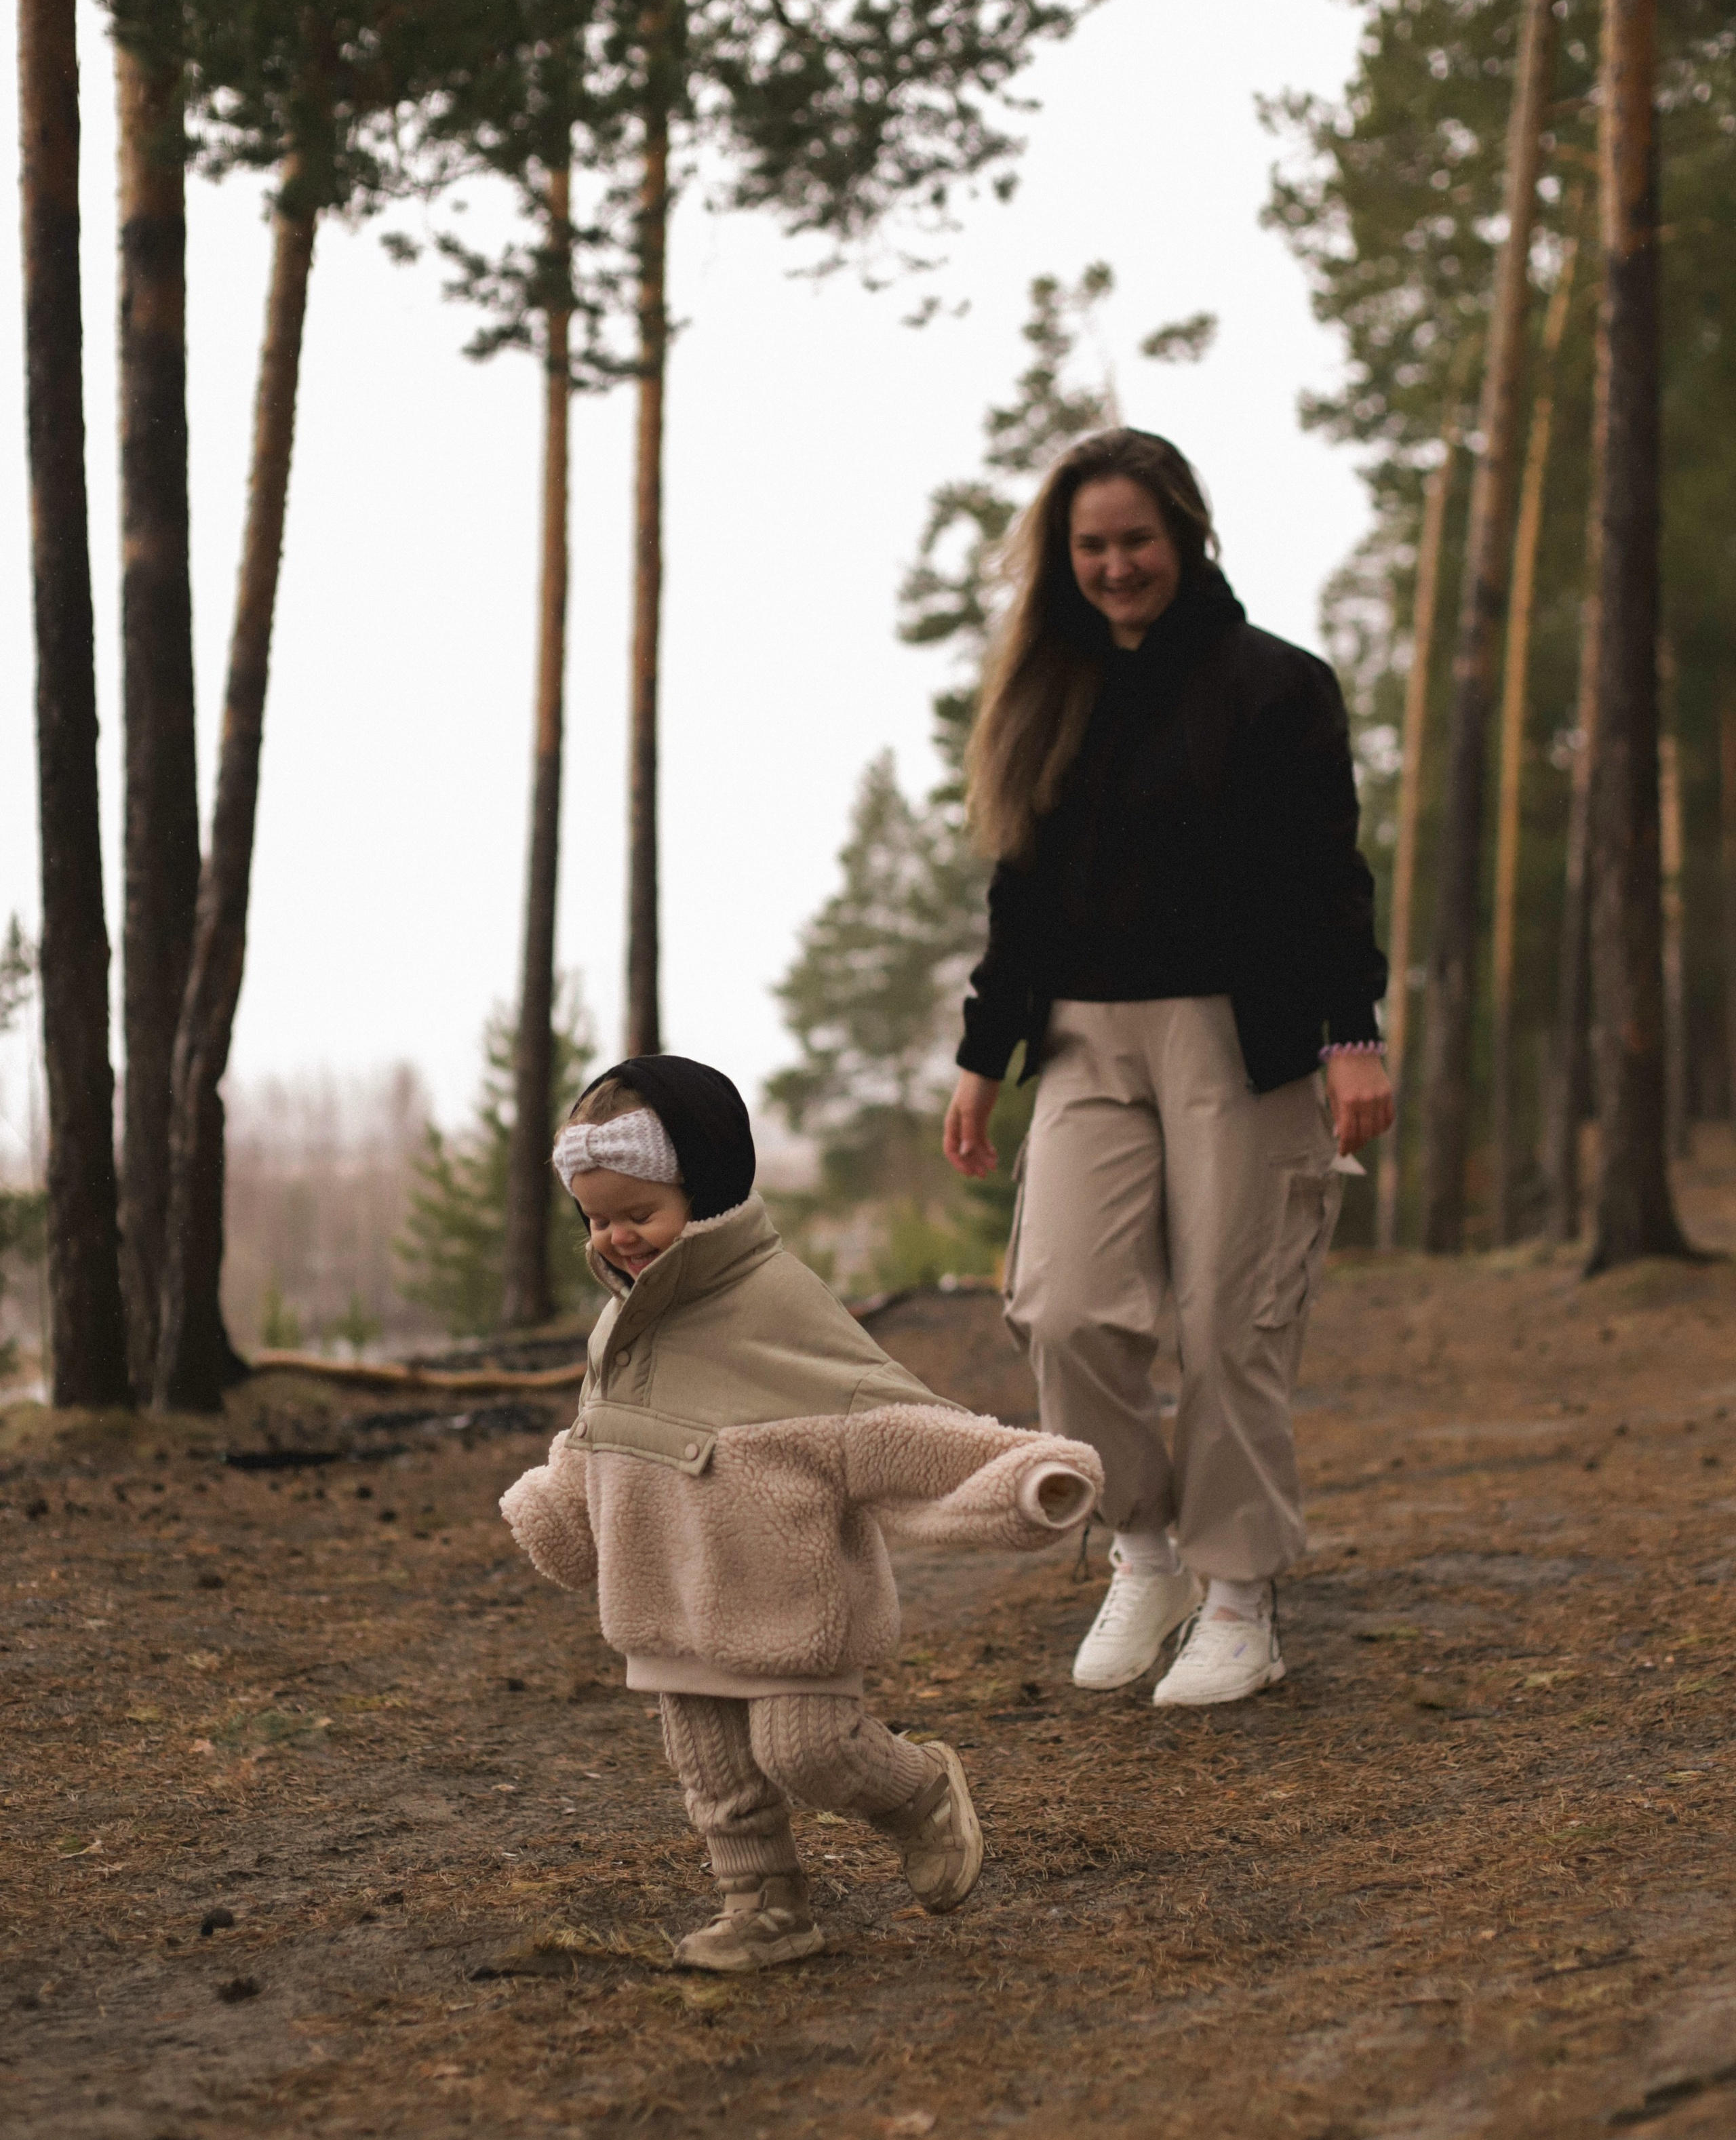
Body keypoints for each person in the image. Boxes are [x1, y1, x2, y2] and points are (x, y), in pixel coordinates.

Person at [943, 429, 1392, 1709]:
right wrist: (984, 1061)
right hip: (1084, 1035)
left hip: (1241, 1039)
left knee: (1227, 1323)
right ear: (1062, 557)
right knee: (1066, 1304)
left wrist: (1350, 1036)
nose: (1115, 565)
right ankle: (1143, 1545)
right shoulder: (1048, 695)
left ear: (1186, 534)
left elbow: (1327, 878)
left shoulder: (1278, 687)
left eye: (1136, 539)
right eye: (1090, 545)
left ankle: (1241, 1598)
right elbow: (1016, 897)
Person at [501, 1054, 1102, 1973]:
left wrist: (1024, 1471)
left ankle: (921, 1792)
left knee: (808, 1748)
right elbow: (600, 1437)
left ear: (704, 1187)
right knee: (712, 1769)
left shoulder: (774, 1303)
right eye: (597, 1216)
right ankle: (765, 1906)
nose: (616, 1236)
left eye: (638, 1212)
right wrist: (554, 1506)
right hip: (670, 1595)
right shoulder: (619, 1325)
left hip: (785, 1594)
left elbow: (890, 1420)